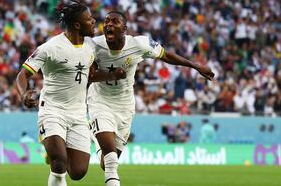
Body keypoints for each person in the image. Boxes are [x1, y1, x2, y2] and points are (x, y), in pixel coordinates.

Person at [88, 11, 215, 186]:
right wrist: (111, 75)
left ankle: (94, 134)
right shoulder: (94, 46)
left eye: (115, 21)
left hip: (125, 105)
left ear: (124, 28)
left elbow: (166, 55)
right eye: (106, 21)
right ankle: (97, 132)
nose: (108, 24)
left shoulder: (140, 44)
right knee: (111, 165)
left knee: (106, 161)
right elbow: (88, 76)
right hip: (99, 101)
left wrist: (196, 66)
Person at [16, 0, 124, 186]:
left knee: (78, 172)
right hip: (52, 110)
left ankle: (53, 152)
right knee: (59, 164)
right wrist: (24, 94)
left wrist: (112, 74)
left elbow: (88, 76)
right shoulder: (51, 48)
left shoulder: (91, 47)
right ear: (77, 25)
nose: (93, 22)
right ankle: (54, 153)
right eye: (89, 19)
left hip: (78, 115)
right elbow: (22, 74)